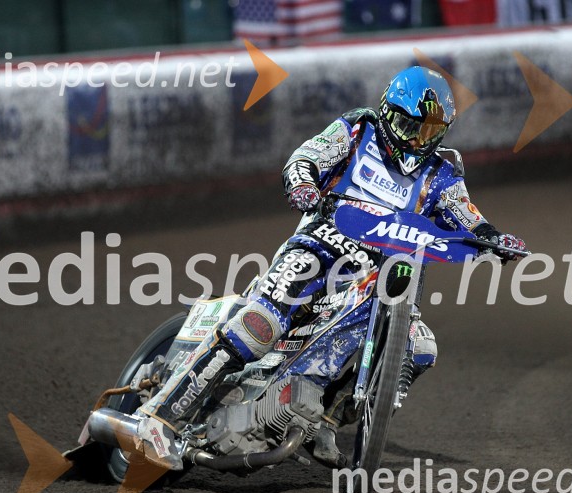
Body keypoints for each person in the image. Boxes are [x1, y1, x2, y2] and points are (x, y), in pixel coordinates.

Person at [134, 66, 528, 470]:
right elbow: (307, 156)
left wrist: (496, 239)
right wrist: (304, 182)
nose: (415, 140)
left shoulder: (444, 172)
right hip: (321, 246)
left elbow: (468, 217)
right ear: (387, 111)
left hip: (384, 274)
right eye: (408, 126)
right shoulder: (358, 129)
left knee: (420, 346)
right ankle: (159, 418)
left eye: (427, 132)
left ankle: (325, 419)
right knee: (260, 325)